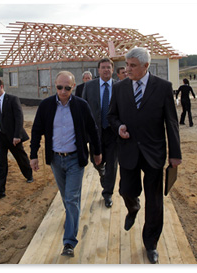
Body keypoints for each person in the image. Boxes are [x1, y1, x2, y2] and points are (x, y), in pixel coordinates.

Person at [107, 47, 182, 264]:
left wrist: (175, 154)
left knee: (155, 202)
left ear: (146, 66)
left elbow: (171, 122)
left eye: (132, 66)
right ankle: (133, 207)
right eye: (127, 65)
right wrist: (119, 126)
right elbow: (112, 116)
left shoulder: (163, 87)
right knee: (126, 190)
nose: (127, 69)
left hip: (154, 153)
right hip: (128, 150)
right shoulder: (119, 88)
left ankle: (151, 243)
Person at [29, 71, 102, 258]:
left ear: (74, 87)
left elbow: (92, 130)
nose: (63, 91)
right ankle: (72, 217)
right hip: (55, 159)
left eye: (67, 88)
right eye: (60, 87)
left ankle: (69, 241)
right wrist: (33, 155)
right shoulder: (46, 106)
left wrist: (97, 152)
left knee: (71, 197)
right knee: (66, 196)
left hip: (74, 159)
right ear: (55, 86)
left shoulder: (81, 106)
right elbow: (36, 130)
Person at [0, 79, 33, 202]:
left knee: (21, 157)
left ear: (1, 86)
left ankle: (29, 174)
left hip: (13, 137)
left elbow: (19, 118)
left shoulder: (12, 99)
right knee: (1, 164)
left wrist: (17, 135)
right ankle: (0, 191)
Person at [82, 58, 118, 208]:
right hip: (95, 133)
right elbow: (83, 109)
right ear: (98, 70)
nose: (106, 70)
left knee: (112, 165)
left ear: (112, 70)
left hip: (113, 132)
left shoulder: (120, 87)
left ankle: (108, 193)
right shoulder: (90, 86)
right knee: (96, 161)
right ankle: (102, 173)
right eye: (103, 67)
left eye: (108, 67)